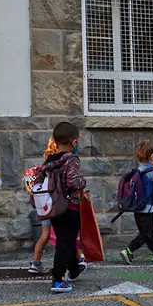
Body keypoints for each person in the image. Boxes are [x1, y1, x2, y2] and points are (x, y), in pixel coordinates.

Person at [34, 122, 87, 293]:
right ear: (73, 142)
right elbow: (73, 181)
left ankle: (74, 268)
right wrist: (83, 182)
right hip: (70, 206)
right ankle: (57, 280)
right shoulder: (71, 159)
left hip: (53, 207)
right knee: (65, 242)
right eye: (77, 141)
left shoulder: (50, 160)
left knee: (67, 239)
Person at [120, 141, 153, 264]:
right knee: (146, 234)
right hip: (148, 209)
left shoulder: (137, 172)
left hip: (137, 208)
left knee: (147, 233)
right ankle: (128, 250)